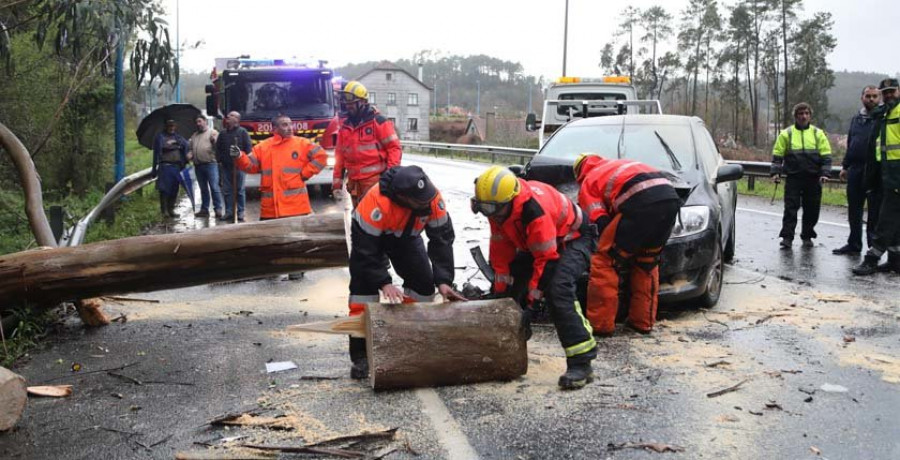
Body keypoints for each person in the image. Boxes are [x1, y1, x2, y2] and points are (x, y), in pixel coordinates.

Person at [472, 166, 597, 390]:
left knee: (557, 289)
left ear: (509, 201)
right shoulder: (497, 208)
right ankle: (509, 345)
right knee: (512, 281)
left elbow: (546, 260)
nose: (488, 214)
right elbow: (501, 249)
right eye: (483, 208)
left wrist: (533, 304)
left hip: (573, 238)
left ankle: (581, 362)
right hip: (541, 245)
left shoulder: (534, 212)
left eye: (491, 209)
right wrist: (501, 292)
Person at [347, 165, 465, 379]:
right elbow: (365, 251)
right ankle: (360, 356)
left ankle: (407, 338)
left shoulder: (431, 198)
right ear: (402, 197)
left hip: (406, 239)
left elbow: (442, 240)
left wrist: (444, 280)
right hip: (370, 239)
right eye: (419, 202)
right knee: (362, 295)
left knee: (423, 287)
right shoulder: (376, 203)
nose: (425, 204)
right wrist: (384, 282)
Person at [574, 153, 681, 336]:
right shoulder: (616, 166)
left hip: (640, 204)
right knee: (647, 262)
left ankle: (601, 325)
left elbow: (599, 220)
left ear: (579, 173)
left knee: (604, 262)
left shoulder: (588, 181)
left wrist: (615, 246)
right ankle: (643, 322)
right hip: (670, 201)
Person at [230, 114, 327, 220]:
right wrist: (240, 156)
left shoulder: (302, 143)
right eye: (285, 125)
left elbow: (321, 156)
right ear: (275, 128)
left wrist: (305, 174)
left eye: (290, 124)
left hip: (296, 208)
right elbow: (250, 166)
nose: (290, 128)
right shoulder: (263, 147)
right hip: (270, 211)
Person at [771, 102, 833, 249]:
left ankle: (807, 236)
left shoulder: (818, 134)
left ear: (810, 116)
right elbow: (778, 154)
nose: (803, 116)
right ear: (795, 116)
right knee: (790, 208)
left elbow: (826, 155)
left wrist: (825, 173)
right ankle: (787, 237)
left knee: (812, 209)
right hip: (794, 177)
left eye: (806, 113)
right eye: (800, 114)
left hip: (813, 178)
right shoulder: (787, 133)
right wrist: (775, 172)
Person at [854, 78, 900, 275]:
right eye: (886, 92)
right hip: (886, 172)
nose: (889, 95)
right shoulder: (883, 114)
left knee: (886, 218)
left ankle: (872, 258)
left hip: (897, 172)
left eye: (892, 91)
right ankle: (895, 260)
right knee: (895, 220)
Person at [333, 81, 402, 207]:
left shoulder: (379, 122)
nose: (349, 107)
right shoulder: (345, 127)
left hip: (376, 184)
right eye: (347, 104)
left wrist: (390, 177)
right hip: (354, 185)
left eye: (352, 103)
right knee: (359, 222)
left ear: (363, 101)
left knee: (376, 222)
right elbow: (339, 157)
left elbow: (394, 149)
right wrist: (337, 184)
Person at [834, 87, 881, 255]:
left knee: (874, 212)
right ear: (862, 98)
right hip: (855, 170)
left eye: (875, 96)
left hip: (875, 171)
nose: (871, 99)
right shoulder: (856, 119)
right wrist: (845, 166)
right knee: (854, 210)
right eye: (868, 96)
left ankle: (873, 247)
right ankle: (854, 244)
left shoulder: (883, 119)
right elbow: (851, 144)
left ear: (879, 98)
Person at [216, 111, 252, 222]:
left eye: (231, 115)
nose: (228, 117)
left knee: (240, 190)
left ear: (237, 119)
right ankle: (229, 212)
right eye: (228, 116)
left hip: (239, 167)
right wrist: (220, 160)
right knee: (227, 191)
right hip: (226, 167)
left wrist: (242, 159)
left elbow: (248, 149)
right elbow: (218, 148)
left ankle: (240, 212)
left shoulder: (242, 132)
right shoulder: (222, 134)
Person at [151, 119, 190, 218]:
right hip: (165, 166)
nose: (171, 128)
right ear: (166, 127)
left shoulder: (178, 137)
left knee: (174, 189)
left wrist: (179, 146)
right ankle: (164, 211)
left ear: (175, 127)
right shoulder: (160, 137)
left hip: (177, 166)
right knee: (164, 189)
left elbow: (186, 145)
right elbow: (158, 151)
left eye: (173, 126)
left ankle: (171, 209)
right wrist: (154, 169)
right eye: (169, 126)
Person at [189, 116, 222, 219]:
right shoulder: (194, 135)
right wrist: (190, 154)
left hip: (210, 164)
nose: (198, 123)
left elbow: (219, 147)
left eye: (200, 121)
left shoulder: (213, 132)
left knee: (214, 187)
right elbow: (191, 148)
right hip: (198, 165)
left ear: (205, 121)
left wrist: (214, 141)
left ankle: (218, 209)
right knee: (203, 189)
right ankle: (205, 209)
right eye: (196, 122)